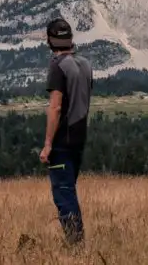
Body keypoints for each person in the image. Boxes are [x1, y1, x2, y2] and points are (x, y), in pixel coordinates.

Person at [38, 17, 93, 245]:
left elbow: (56, 105)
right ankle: (76, 243)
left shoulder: (58, 66)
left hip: (62, 141)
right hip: (79, 139)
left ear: (50, 40)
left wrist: (48, 143)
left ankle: (76, 246)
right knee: (69, 189)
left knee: (64, 194)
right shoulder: (86, 64)